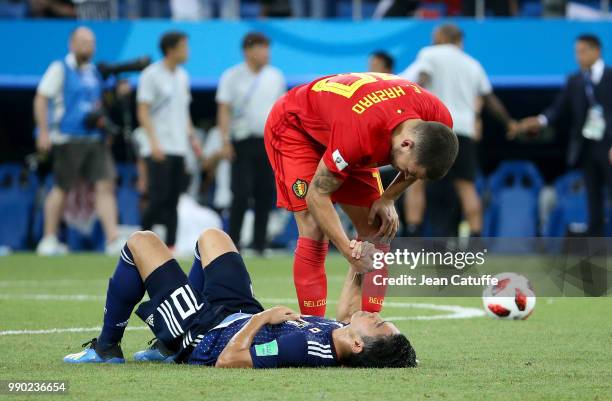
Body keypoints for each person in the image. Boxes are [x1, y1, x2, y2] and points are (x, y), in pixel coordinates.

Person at [62, 228, 417, 368]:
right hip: (236, 313)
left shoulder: (304, 349)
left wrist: (263, 319)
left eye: (379, 323)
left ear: (358, 345)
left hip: (204, 333)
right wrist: (360, 264)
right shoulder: (341, 333)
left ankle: (107, 348)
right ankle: (163, 346)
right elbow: (349, 309)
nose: (374, 314)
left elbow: (230, 360)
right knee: (213, 237)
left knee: (141, 242)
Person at [264, 72, 458, 317]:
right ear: (406, 143)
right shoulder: (359, 132)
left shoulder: (439, 122)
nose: (407, 176)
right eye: (408, 171)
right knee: (314, 226)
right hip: (296, 129)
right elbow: (317, 196)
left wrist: (388, 198)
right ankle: (314, 331)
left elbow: (413, 170)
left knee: (378, 228)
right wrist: (347, 250)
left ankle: (359, 328)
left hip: (345, 130)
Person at [400, 23, 515, 238]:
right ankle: (476, 238)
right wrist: (510, 123)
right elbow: (490, 99)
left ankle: (413, 235)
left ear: (443, 36)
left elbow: (421, 77)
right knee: (467, 187)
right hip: (463, 131)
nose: (432, 39)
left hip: (434, 128)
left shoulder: (429, 53)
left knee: (415, 183)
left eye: (435, 35)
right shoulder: (473, 64)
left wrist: (410, 103)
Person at [34, 26, 122, 256]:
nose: (88, 46)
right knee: (61, 188)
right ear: (71, 44)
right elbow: (41, 99)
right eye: (83, 42)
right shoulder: (59, 68)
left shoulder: (94, 72)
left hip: (95, 139)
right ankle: (49, 239)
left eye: (92, 42)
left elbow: (98, 105)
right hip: (67, 137)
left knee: (105, 186)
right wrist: (43, 131)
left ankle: (112, 239)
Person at [516, 34, 612, 236]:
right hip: (586, 148)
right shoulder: (575, 80)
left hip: (609, 145)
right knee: (593, 198)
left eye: (583, 51)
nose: (578, 56)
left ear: (597, 51)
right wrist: (540, 121)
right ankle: (597, 248)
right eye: (576, 52)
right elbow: (558, 109)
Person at [216, 32, 286, 254]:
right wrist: (225, 140)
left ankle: (259, 244)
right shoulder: (232, 76)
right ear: (248, 51)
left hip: (268, 141)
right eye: (262, 48)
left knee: (265, 193)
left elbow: (281, 110)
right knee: (241, 192)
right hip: (242, 141)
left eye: (268, 48)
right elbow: (224, 109)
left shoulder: (275, 76)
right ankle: (233, 243)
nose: (267, 53)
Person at [137, 31, 200, 249]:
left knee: (174, 199)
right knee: (158, 197)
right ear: (171, 49)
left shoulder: (183, 76)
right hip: (159, 146)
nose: (188, 51)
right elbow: (143, 111)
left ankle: (171, 246)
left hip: (179, 147)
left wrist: (192, 138)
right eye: (184, 46)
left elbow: (184, 112)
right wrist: (153, 143)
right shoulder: (151, 74)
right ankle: (139, 242)